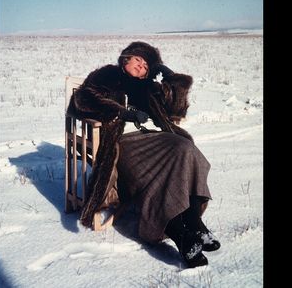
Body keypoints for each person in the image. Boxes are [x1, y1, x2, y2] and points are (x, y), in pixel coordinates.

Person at [66, 41, 220, 268]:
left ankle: (194, 225)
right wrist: (122, 113)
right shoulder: (108, 75)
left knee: (187, 149)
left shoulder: (150, 87)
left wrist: (170, 77)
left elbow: (178, 108)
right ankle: (182, 236)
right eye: (138, 59)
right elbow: (83, 100)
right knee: (166, 165)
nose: (142, 66)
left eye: (147, 65)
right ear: (126, 59)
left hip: (157, 137)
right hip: (126, 141)